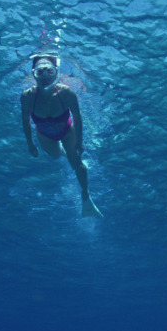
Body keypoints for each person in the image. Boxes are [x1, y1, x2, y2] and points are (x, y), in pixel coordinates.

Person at [21, 54, 103, 217]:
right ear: (33, 74)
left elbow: (77, 118)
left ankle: (86, 197)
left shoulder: (66, 93)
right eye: (40, 72)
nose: (45, 76)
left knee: (77, 165)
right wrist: (30, 143)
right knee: (56, 156)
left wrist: (79, 142)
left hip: (67, 132)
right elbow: (25, 120)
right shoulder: (27, 96)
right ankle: (67, 153)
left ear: (56, 73)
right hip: (44, 135)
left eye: (49, 71)